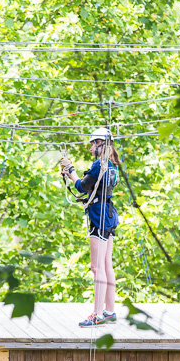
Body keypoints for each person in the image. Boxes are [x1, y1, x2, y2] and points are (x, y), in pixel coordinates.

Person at [60, 128, 121, 327]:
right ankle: (109, 310)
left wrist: (70, 171)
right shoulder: (113, 165)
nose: (91, 147)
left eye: (93, 143)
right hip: (109, 214)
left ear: (101, 144)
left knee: (97, 267)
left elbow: (81, 186)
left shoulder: (99, 164)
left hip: (99, 215)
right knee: (106, 264)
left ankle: (97, 314)